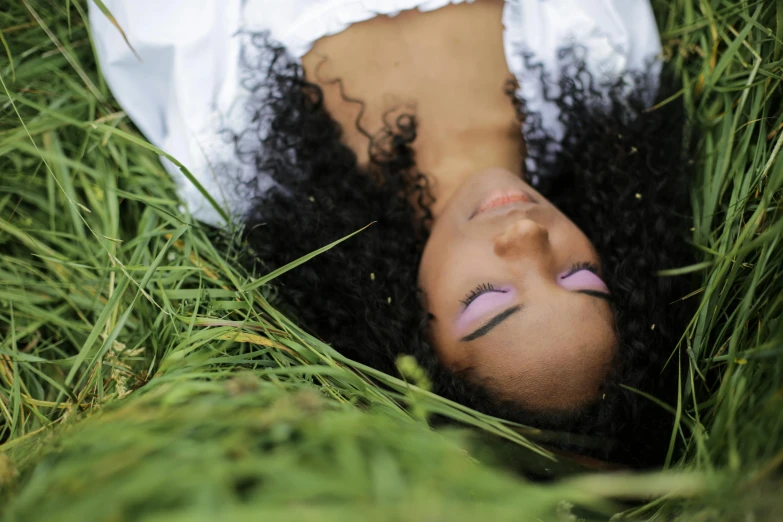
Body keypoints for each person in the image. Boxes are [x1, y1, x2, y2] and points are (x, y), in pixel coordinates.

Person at [90, 0, 694, 466]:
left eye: (487, 300)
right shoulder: (599, 61)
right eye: (580, 277)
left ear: (414, 328)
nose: (529, 239)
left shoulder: (244, 158)